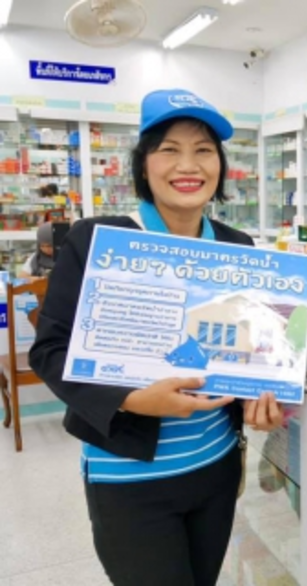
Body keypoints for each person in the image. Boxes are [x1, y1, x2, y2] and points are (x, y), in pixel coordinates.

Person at [29, 89, 284, 586]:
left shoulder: (238, 247)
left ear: (220, 166)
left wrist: (265, 396)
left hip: (215, 467)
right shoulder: (97, 240)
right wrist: (131, 399)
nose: (188, 165)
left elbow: (251, 351)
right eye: (169, 149)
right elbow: (50, 350)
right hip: (128, 475)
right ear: (143, 165)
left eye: (203, 150)